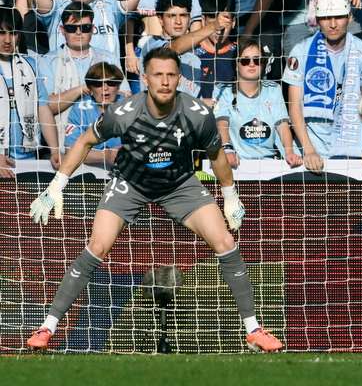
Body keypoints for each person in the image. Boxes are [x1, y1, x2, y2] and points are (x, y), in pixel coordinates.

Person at [26, 47, 283, 352]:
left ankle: (253, 330)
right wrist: (57, 185)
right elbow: (84, 140)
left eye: (171, 75)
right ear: (145, 78)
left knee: (226, 242)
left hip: (179, 185)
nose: (165, 81)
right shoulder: (125, 113)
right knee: (97, 246)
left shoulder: (197, 113)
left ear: (178, 79)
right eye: (158, 75)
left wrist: (229, 195)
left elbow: (216, 154)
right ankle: (47, 327)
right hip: (129, 182)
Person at [283, 0, 362, 171]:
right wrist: (309, 150)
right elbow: (294, 105)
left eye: (339, 17)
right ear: (318, 20)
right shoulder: (301, 50)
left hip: (350, 143)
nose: (333, 24)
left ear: (349, 17)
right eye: (327, 18)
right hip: (311, 147)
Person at [36, 3, 122, 164]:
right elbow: (45, 107)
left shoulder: (109, 58)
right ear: (62, 30)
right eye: (71, 28)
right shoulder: (47, 61)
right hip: (63, 153)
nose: (78, 32)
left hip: (111, 152)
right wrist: (82, 89)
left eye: (85, 27)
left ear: (93, 29)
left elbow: (124, 98)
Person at [213, 37, 302, 167]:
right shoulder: (222, 90)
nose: (251, 64)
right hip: (236, 163)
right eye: (245, 60)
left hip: (270, 163)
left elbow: (282, 124)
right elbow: (221, 123)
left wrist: (289, 152)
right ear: (236, 65)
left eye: (257, 60)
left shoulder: (274, 90)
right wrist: (227, 149)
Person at [0, 8, 47, 176]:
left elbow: (43, 107)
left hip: (28, 159)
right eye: (1, 33)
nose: (7, 40)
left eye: (12, 33)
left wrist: (55, 149)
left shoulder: (31, 66)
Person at [62, 61, 125, 168]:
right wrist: (105, 156)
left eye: (111, 83)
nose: (105, 88)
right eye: (98, 84)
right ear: (90, 89)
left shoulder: (131, 106)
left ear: (118, 87)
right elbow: (70, 151)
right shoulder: (80, 109)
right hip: (88, 170)